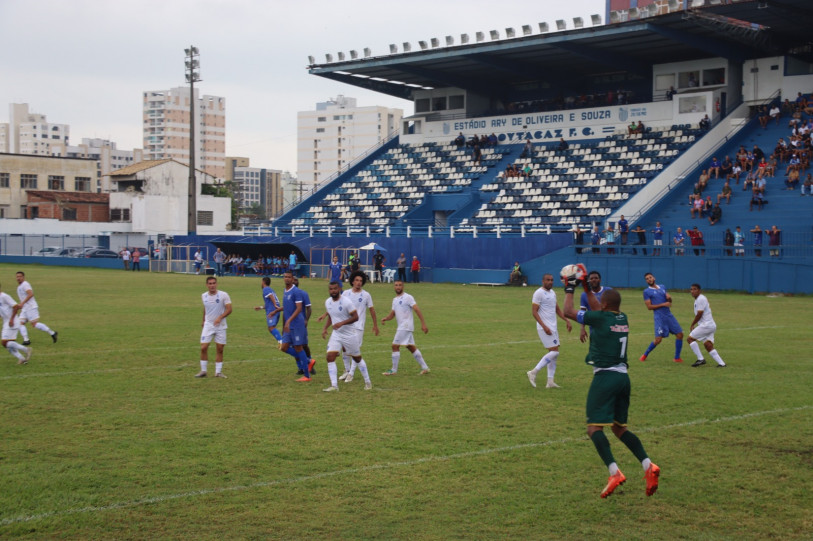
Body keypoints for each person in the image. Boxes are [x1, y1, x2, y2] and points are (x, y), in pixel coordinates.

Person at [560, 269, 660, 499]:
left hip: (605, 377)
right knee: (618, 428)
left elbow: (567, 311)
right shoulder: (621, 317)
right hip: (624, 378)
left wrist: (570, 287)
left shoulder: (600, 316)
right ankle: (648, 465)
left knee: (594, 428)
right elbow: (598, 309)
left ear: (604, 304)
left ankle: (614, 472)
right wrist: (586, 287)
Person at [320, 281, 368, 392]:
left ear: (339, 289)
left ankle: (367, 381)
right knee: (330, 357)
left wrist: (341, 323)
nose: (333, 291)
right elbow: (331, 316)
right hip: (336, 334)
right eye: (331, 289)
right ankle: (334, 386)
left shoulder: (346, 302)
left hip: (349, 334)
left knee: (357, 358)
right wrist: (325, 328)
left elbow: (356, 317)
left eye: (335, 289)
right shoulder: (328, 302)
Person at [526, 273, 572, 389]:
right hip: (544, 328)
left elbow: (556, 309)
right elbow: (534, 312)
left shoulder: (552, 293)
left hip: (553, 327)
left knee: (554, 355)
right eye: (548, 280)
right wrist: (544, 326)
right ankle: (533, 372)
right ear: (543, 281)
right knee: (555, 352)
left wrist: (566, 320)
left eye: (552, 280)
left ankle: (550, 382)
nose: (550, 282)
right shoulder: (538, 293)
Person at [336, 270, 377, 386]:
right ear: (352, 281)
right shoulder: (345, 294)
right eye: (357, 280)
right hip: (346, 326)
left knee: (355, 351)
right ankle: (347, 370)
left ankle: (351, 373)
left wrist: (375, 325)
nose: (359, 283)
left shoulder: (366, 295)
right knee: (344, 348)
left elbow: (372, 311)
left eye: (361, 281)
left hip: (358, 327)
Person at [380, 280, 429, 376]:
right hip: (403, 326)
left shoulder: (408, 297)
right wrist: (386, 318)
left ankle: (393, 370)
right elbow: (393, 314)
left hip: (405, 326)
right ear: (394, 287)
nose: (398, 287)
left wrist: (423, 324)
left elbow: (417, 309)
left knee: (395, 346)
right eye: (396, 285)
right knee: (410, 347)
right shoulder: (395, 300)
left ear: (403, 286)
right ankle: (425, 368)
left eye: (400, 285)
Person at [639, 273, 684, 363]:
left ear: (654, 278)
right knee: (658, 339)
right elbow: (649, 307)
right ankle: (644, 355)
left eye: (650, 277)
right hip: (659, 317)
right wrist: (663, 304)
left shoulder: (662, 287)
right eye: (647, 279)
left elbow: (669, 302)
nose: (649, 279)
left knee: (680, 334)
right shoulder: (647, 292)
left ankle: (677, 358)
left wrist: (670, 298)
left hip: (668, 315)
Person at [279, 271, 314, 382]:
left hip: (297, 324)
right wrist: (275, 311)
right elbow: (287, 308)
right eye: (285, 277)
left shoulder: (296, 292)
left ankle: (307, 376)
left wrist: (288, 321)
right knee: (283, 347)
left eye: (289, 277)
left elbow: (299, 308)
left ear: (292, 278)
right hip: (289, 325)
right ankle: (308, 361)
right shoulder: (285, 291)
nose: (287, 279)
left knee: (299, 348)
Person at [195, 276, 232, 378]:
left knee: (220, 349)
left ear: (216, 284)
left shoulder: (223, 295)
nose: (212, 285)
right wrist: (203, 320)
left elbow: (229, 309)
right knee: (203, 347)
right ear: (207, 285)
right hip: (208, 325)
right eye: (210, 284)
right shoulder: (204, 296)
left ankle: (218, 372)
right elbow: (206, 308)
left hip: (221, 326)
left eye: (214, 283)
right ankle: (203, 371)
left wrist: (220, 317)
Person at [686, 284, 727, 368]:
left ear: (699, 291)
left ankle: (700, 359)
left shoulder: (700, 299)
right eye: (691, 289)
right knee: (708, 345)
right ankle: (722, 364)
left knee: (690, 339)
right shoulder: (699, 299)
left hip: (706, 325)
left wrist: (692, 324)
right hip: (711, 325)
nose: (692, 291)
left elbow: (699, 314)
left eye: (695, 289)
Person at [14, 272, 57, 346]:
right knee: (19, 323)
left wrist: (22, 303)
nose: (18, 278)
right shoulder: (19, 287)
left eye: (20, 276)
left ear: (23, 277)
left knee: (34, 324)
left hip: (31, 307)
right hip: (25, 309)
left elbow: (31, 294)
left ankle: (52, 333)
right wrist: (20, 305)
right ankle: (26, 340)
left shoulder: (25, 284)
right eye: (17, 276)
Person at [1, 282, 32, 365]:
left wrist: (11, 319)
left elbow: (15, 307)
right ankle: (22, 359)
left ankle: (26, 350)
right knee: (7, 344)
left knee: (4, 342)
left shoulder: (4, 296)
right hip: (6, 322)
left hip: (12, 321)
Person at [579, 271, 611, 344]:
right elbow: (582, 313)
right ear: (588, 281)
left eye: (596, 278)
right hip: (594, 328)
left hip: (609, 325)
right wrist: (582, 328)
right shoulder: (584, 295)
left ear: (600, 280)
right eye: (591, 278)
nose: (594, 280)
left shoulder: (608, 291)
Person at [255, 276, 283, 344]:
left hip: (272, 311)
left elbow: (271, 296)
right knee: (271, 328)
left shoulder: (266, 289)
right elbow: (268, 302)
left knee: (271, 327)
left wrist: (275, 304)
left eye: (261, 282)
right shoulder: (270, 289)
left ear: (263, 282)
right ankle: (281, 341)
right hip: (275, 310)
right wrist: (261, 307)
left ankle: (282, 341)